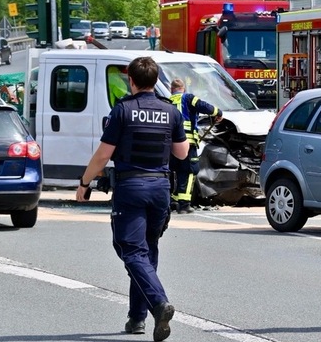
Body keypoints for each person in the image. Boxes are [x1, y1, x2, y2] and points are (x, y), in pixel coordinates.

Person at [76, 56, 188, 342]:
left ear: (132, 80)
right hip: (160, 189)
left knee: (131, 250)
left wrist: (84, 183)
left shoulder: (123, 110)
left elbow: (103, 155)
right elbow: (182, 153)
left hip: (132, 188)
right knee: (147, 250)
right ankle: (137, 318)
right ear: (156, 80)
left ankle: (158, 303)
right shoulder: (170, 111)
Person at [169, 78, 222, 214]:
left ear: (171, 89)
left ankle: (173, 200)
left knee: (174, 170)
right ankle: (184, 204)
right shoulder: (188, 98)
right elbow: (204, 106)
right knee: (190, 171)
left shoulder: (169, 101)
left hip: (170, 143)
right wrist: (218, 112)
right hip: (188, 142)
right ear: (184, 89)